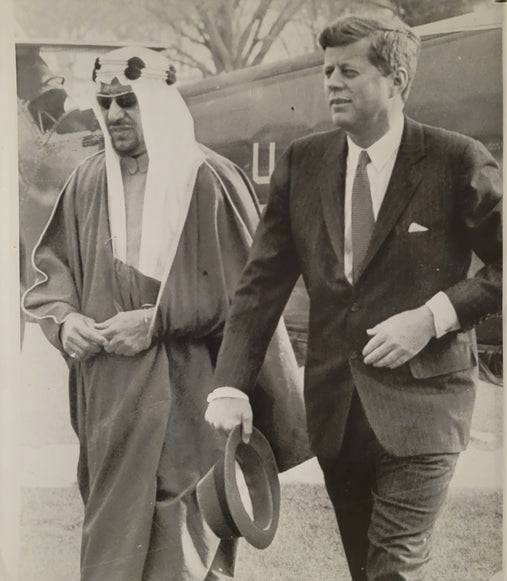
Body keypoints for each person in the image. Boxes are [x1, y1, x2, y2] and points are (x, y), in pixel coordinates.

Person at [205, 14, 502, 581]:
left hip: (427, 409)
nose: (331, 83)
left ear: (396, 80)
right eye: (326, 72)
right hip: (338, 414)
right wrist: (229, 385)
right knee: (367, 570)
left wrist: (434, 316)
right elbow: (261, 282)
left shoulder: (455, 159)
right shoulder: (303, 162)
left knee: (395, 567)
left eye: (348, 70)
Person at [22, 46, 307, 581]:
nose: (112, 117)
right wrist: (65, 321)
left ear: (157, 101)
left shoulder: (210, 179)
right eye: (105, 103)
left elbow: (252, 300)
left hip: (189, 402)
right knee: (110, 555)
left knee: (186, 556)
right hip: (109, 409)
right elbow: (50, 277)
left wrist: (155, 321)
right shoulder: (85, 182)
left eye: (127, 102)